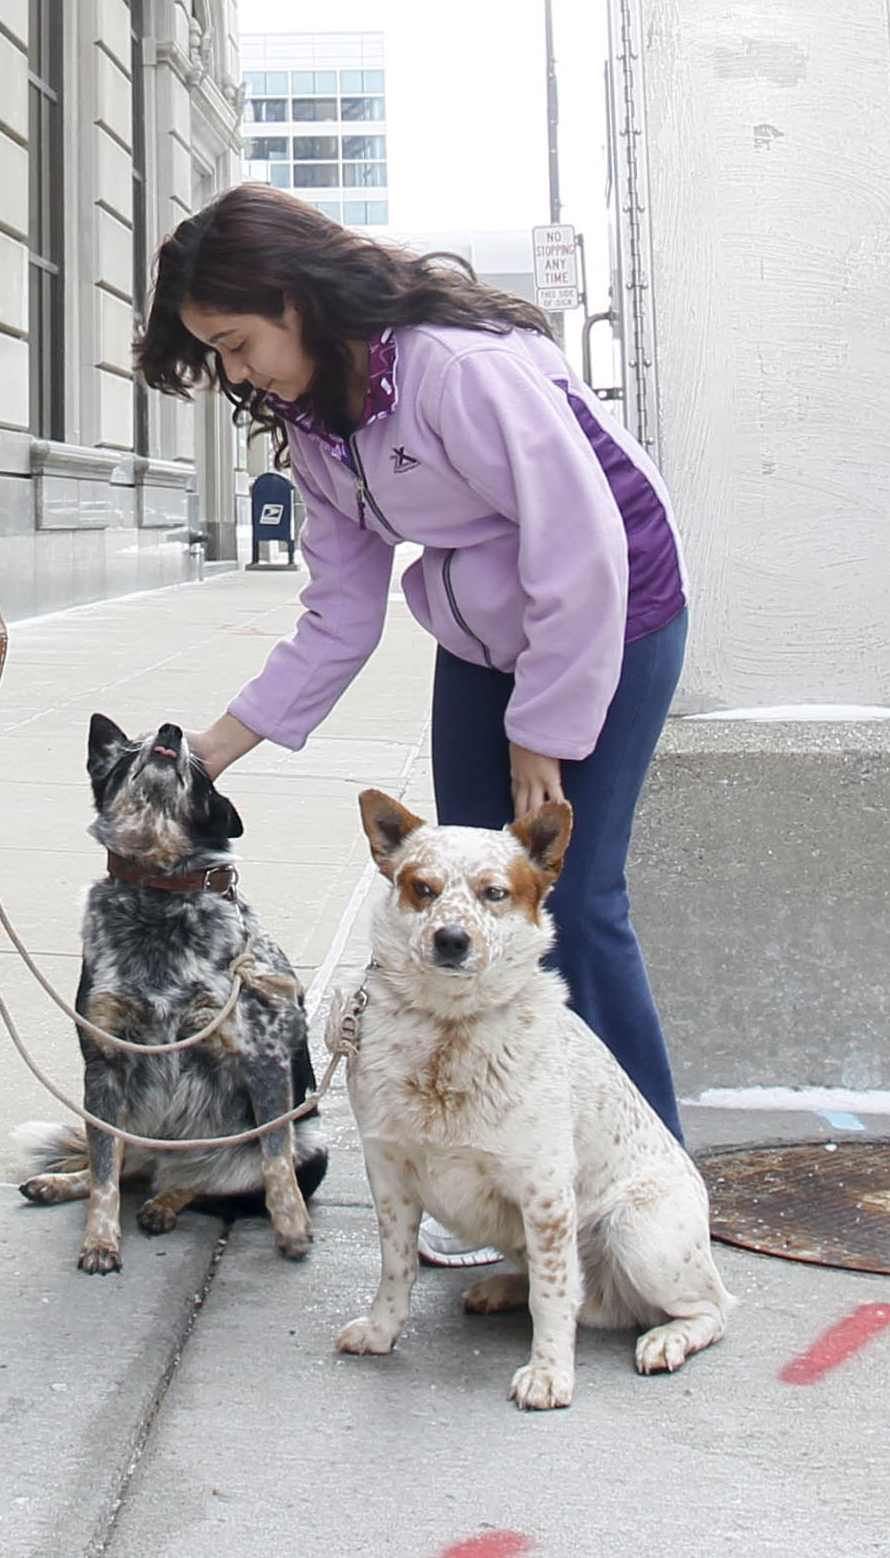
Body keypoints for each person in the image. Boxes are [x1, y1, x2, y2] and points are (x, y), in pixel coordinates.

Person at [138, 185, 691, 1146]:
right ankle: (495, 1167)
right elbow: (338, 616)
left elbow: (582, 547)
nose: (238, 369)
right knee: (452, 904)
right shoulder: (316, 422)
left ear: (294, 298)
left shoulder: (458, 371)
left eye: (235, 341)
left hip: (615, 616)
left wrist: (543, 727)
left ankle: (650, 1176)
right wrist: (205, 754)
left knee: (574, 902)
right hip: (482, 643)